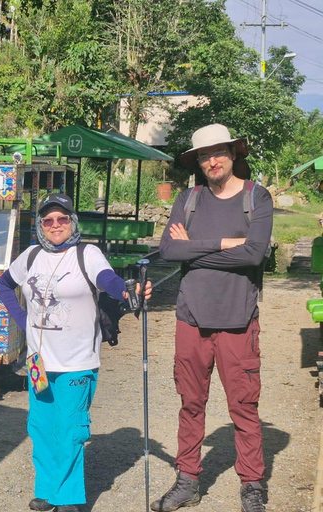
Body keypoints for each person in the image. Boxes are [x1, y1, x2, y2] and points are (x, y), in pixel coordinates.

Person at [0, 193, 152, 512]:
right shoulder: (29, 256)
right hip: (38, 362)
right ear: (41, 225)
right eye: (48, 220)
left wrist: (125, 289)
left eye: (62, 219)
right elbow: (2, 285)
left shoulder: (87, 253)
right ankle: (47, 489)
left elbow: (106, 279)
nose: (56, 225)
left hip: (76, 363)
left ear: (72, 222)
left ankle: (67, 499)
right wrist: (23, 321)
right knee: (40, 426)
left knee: (69, 429)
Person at [154, 124, 273, 512]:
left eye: (218, 152)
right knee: (190, 403)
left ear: (233, 153)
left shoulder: (257, 197)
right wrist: (224, 243)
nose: (212, 160)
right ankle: (188, 480)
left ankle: (252, 485)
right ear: (198, 161)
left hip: (238, 320)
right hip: (191, 319)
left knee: (243, 405)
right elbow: (169, 251)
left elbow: (255, 255)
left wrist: (195, 249)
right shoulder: (189, 199)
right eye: (204, 155)